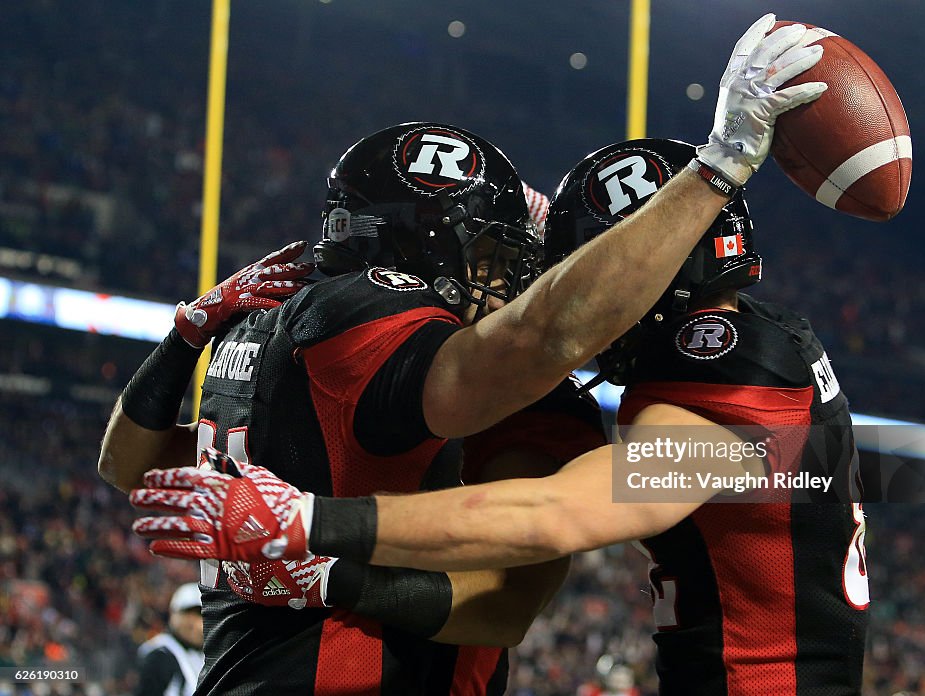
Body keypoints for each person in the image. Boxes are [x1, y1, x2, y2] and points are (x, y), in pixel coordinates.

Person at [120, 13, 829, 694]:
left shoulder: (742, 383)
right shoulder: (380, 328)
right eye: (495, 258)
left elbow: (550, 524)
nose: (520, 283)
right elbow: (541, 350)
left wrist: (313, 536)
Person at [136, 583, 205, 696]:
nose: (194, 623)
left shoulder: (203, 655)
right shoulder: (160, 655)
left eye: (200, 615)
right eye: (188, 614)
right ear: (173, 614)